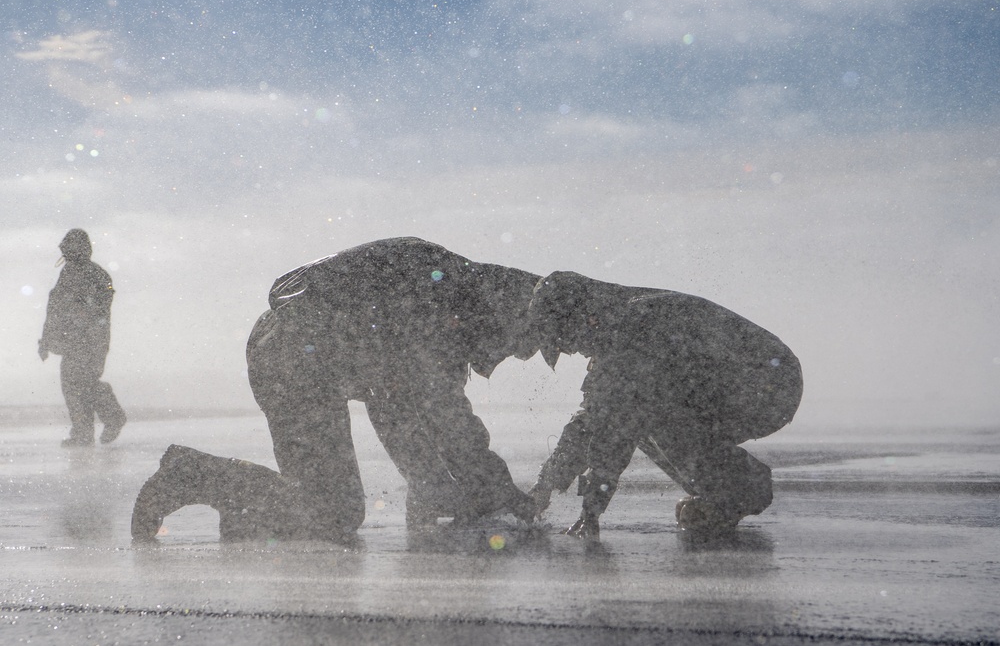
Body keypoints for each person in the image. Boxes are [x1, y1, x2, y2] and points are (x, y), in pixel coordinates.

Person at [132, 237, 540, 543]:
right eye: (526, 345)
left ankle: (246, 507)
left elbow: (394, 406)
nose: (517, 357)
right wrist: (492, 488)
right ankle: (197, 476)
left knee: (328, 509)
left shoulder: (451, 289)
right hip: (295, 359)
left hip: (288, 349)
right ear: (514, 317)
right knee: (332, 514)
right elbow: (442, 416)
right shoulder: (444, 308)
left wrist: (432, 488)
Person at [527, 271, 803, 538]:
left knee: (639, 414)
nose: (573, 350)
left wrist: (590, 513)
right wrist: (545, 486)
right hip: (738, 381)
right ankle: (722, 489)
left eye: (567, 340)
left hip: (767, 384)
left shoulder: (633, 326)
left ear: (579, 317)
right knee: (631, 412)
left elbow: (614, 430)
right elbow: (592, 418)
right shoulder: (618, 319)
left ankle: (739, 489)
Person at [38, 229, 127, 447]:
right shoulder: (70, 272)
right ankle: (83, 433)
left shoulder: (95, 274)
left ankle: (111, 417)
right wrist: (47, 340)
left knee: (83, 383)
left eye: (68, 247)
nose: (64, 251)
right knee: (73, 386)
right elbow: (56, 310)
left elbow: (98, 308)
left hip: (90, 342)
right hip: (75, 343)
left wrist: (81, 327)